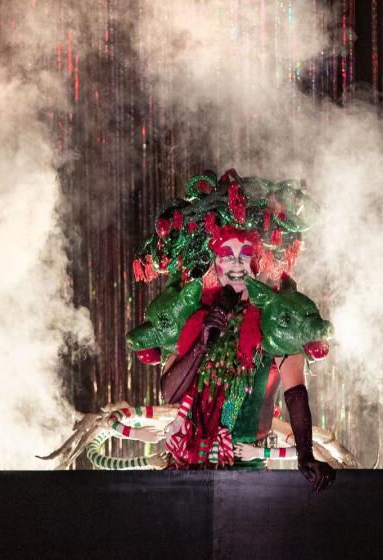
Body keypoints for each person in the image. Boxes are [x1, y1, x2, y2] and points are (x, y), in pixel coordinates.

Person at [127, 170, 335, 491]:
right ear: (215, 262)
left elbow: (295, 391)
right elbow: (169, 392)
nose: (237, 263)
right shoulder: (195, 315)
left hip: (248, 472)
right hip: (190, 467)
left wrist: (304, 454)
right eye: (227, 255)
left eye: (244, 254)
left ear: (256, 259)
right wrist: (204, 339)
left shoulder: (274, 319)